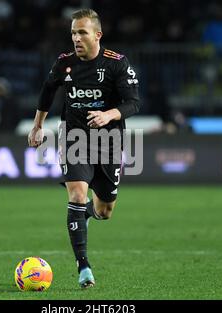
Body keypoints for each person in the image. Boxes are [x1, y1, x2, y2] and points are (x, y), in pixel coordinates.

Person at [27, 9, 140, 288]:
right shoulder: (64, 64)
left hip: (109, 142)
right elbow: (47, 90)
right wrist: (38, 125)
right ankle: (83, 267)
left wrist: (109, 114)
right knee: (76, 194)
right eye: (73, 33)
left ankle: (89, 214)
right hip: (74, 139)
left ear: (97, 35)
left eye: (82, 33)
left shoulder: (117, 64)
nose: (76, 38)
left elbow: (134, 103)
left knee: (105, 211)